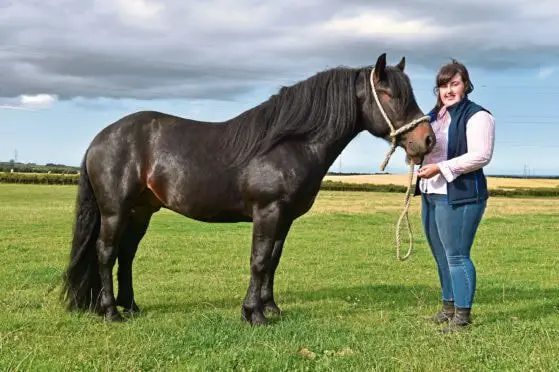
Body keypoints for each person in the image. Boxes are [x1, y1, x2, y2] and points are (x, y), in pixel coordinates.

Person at [414, 59, 495, 333]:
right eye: (442, 86)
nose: (447, 91)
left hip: (461, 196)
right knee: (440, 255)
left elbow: (481, 155)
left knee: (457, 256)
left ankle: (462, 317)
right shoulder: (432, 117)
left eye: (454, 84)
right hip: (430, 194)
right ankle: (448, 308)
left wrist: (441, 167)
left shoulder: (478, 115)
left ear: (465, 85)